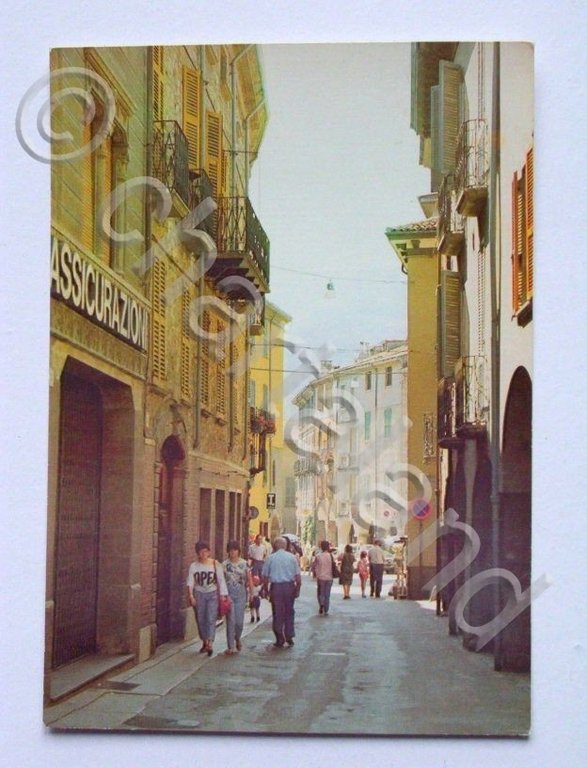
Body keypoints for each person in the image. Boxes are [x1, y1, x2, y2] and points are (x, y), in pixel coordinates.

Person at [186, 540, 228, 657]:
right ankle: (204, 641)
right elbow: (190, 581)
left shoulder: (215, 564)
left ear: (209, 552)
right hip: (199, 593)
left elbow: (221, 580)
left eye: (205, 552)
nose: (203, 554)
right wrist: (191, 595)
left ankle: (210, 643)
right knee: (200, 619)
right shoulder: (194, 566)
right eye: (201, 552)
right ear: (198, 554)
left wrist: (223, 595)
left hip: (212, 593)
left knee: (211, 618)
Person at [262, 537, 301, 648]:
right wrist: (297, 589)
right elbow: (298, 577)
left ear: (275, 546)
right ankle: (289, 635)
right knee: (289, 611)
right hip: (289, 586)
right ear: (285, 546)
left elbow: (265, 576)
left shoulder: (270, 558)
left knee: (277, 612)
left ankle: (279, 637)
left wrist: (266, 589)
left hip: (276, 587)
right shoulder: (292, 558)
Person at [222, 540, 253, 655]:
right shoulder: (224, 564)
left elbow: (249, 579)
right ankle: (230, 646)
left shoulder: (244, 563)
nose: (232, 552)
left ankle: (237, 638)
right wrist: (222, 595)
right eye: (230, 550)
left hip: (241, 595)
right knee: (231, 621)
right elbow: (221, 580)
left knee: (239, 622)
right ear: (228, 552)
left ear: (238, 551)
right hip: (229, 594)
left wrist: (252, 594)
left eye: (235, 550)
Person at [311, 540, 336, 615]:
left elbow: (313, 566)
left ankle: (321, 604)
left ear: (321, 547)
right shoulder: (330, 556)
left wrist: (315, 573)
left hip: (321, 577)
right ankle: (326, 609)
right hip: (329, 577)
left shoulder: (318, 556)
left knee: (321, 593)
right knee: (327, 594)